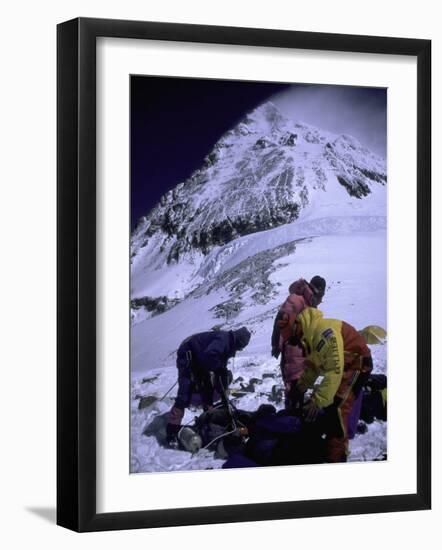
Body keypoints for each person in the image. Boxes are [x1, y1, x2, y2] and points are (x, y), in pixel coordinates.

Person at [290, 307, 373, 462]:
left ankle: (337, 456)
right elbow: (313, 369)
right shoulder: (311, 336)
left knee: (338, 408)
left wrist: (318, 399)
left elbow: (334, 370)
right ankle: (331, 443)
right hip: (345, 366)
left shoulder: (324, 333)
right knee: (330, 405)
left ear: (298, 325)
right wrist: (300, 387)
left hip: (358, 364)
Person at [166, 327, 251, 446]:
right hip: (188, 355)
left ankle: (209, 419)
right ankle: (172, 429)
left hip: (200, 358)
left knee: (207, 389)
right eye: (241, 346)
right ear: (238, 341)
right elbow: (210, 354)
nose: (240, 349)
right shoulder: (224, 339)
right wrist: (218, 369)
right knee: (185, 390)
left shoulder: (228, 344)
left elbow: (219, 364)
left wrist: (222, 383)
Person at [271, 276, 326, 408]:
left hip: (301, 354)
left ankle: (294, 415)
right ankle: (291, 419)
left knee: (299, 387)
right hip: (292, 352)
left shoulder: (309, 304)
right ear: (318, 291)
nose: (321, 300)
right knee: (293, 386)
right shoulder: (296, 300)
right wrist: (275, 344)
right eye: (322, 295)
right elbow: (280, 321)